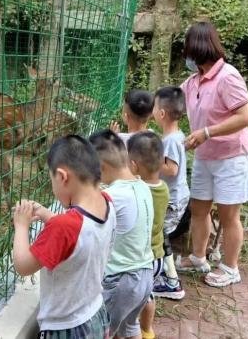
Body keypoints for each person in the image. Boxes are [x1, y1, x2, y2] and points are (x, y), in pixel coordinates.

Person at [12, 135, 116, 338]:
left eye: (52, 181)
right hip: (96, 313)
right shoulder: (107, 203)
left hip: (66, 328)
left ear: (62, 176)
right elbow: (78, 235)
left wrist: (21, 226)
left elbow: (23, 266)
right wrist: (46, 215)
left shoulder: (64, 227)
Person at [177, 21, 248, 288]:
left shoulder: (228, 77)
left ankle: (231, 268)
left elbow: (246, 117)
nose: (185, 55)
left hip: (231, 156)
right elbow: (170, 102)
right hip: (205, 156)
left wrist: (207, 133)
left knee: (229, 215)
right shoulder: (193, 81)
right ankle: (199, 257)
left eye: (187, 48)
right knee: (199, 209)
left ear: (197, 47)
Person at [89, 129, 154, 339]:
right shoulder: (143, 187)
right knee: (129, 326)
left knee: (100, 332)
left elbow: (83, 217)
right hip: (145, 276)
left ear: (101, 168)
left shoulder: (112, 195)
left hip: (121, 281)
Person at [125, 132, 178, 339]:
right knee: (148, 295)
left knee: (132, 299)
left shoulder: (136, 189)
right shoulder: (163, 188)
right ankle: (147, 331)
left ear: (135, 166)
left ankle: (130, 328)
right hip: (157, 257)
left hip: (140, 258)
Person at [151, 86, 188, 298]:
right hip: (174, 198)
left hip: (173, 201)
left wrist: (150, 159)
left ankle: (171, 282)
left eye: (155, 108)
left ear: (162, 113)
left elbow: (171, 170)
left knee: (158, 236)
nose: (153, 111)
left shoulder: (171, 140)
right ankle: (167, 276)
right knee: (159, 236)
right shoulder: (173, 136)